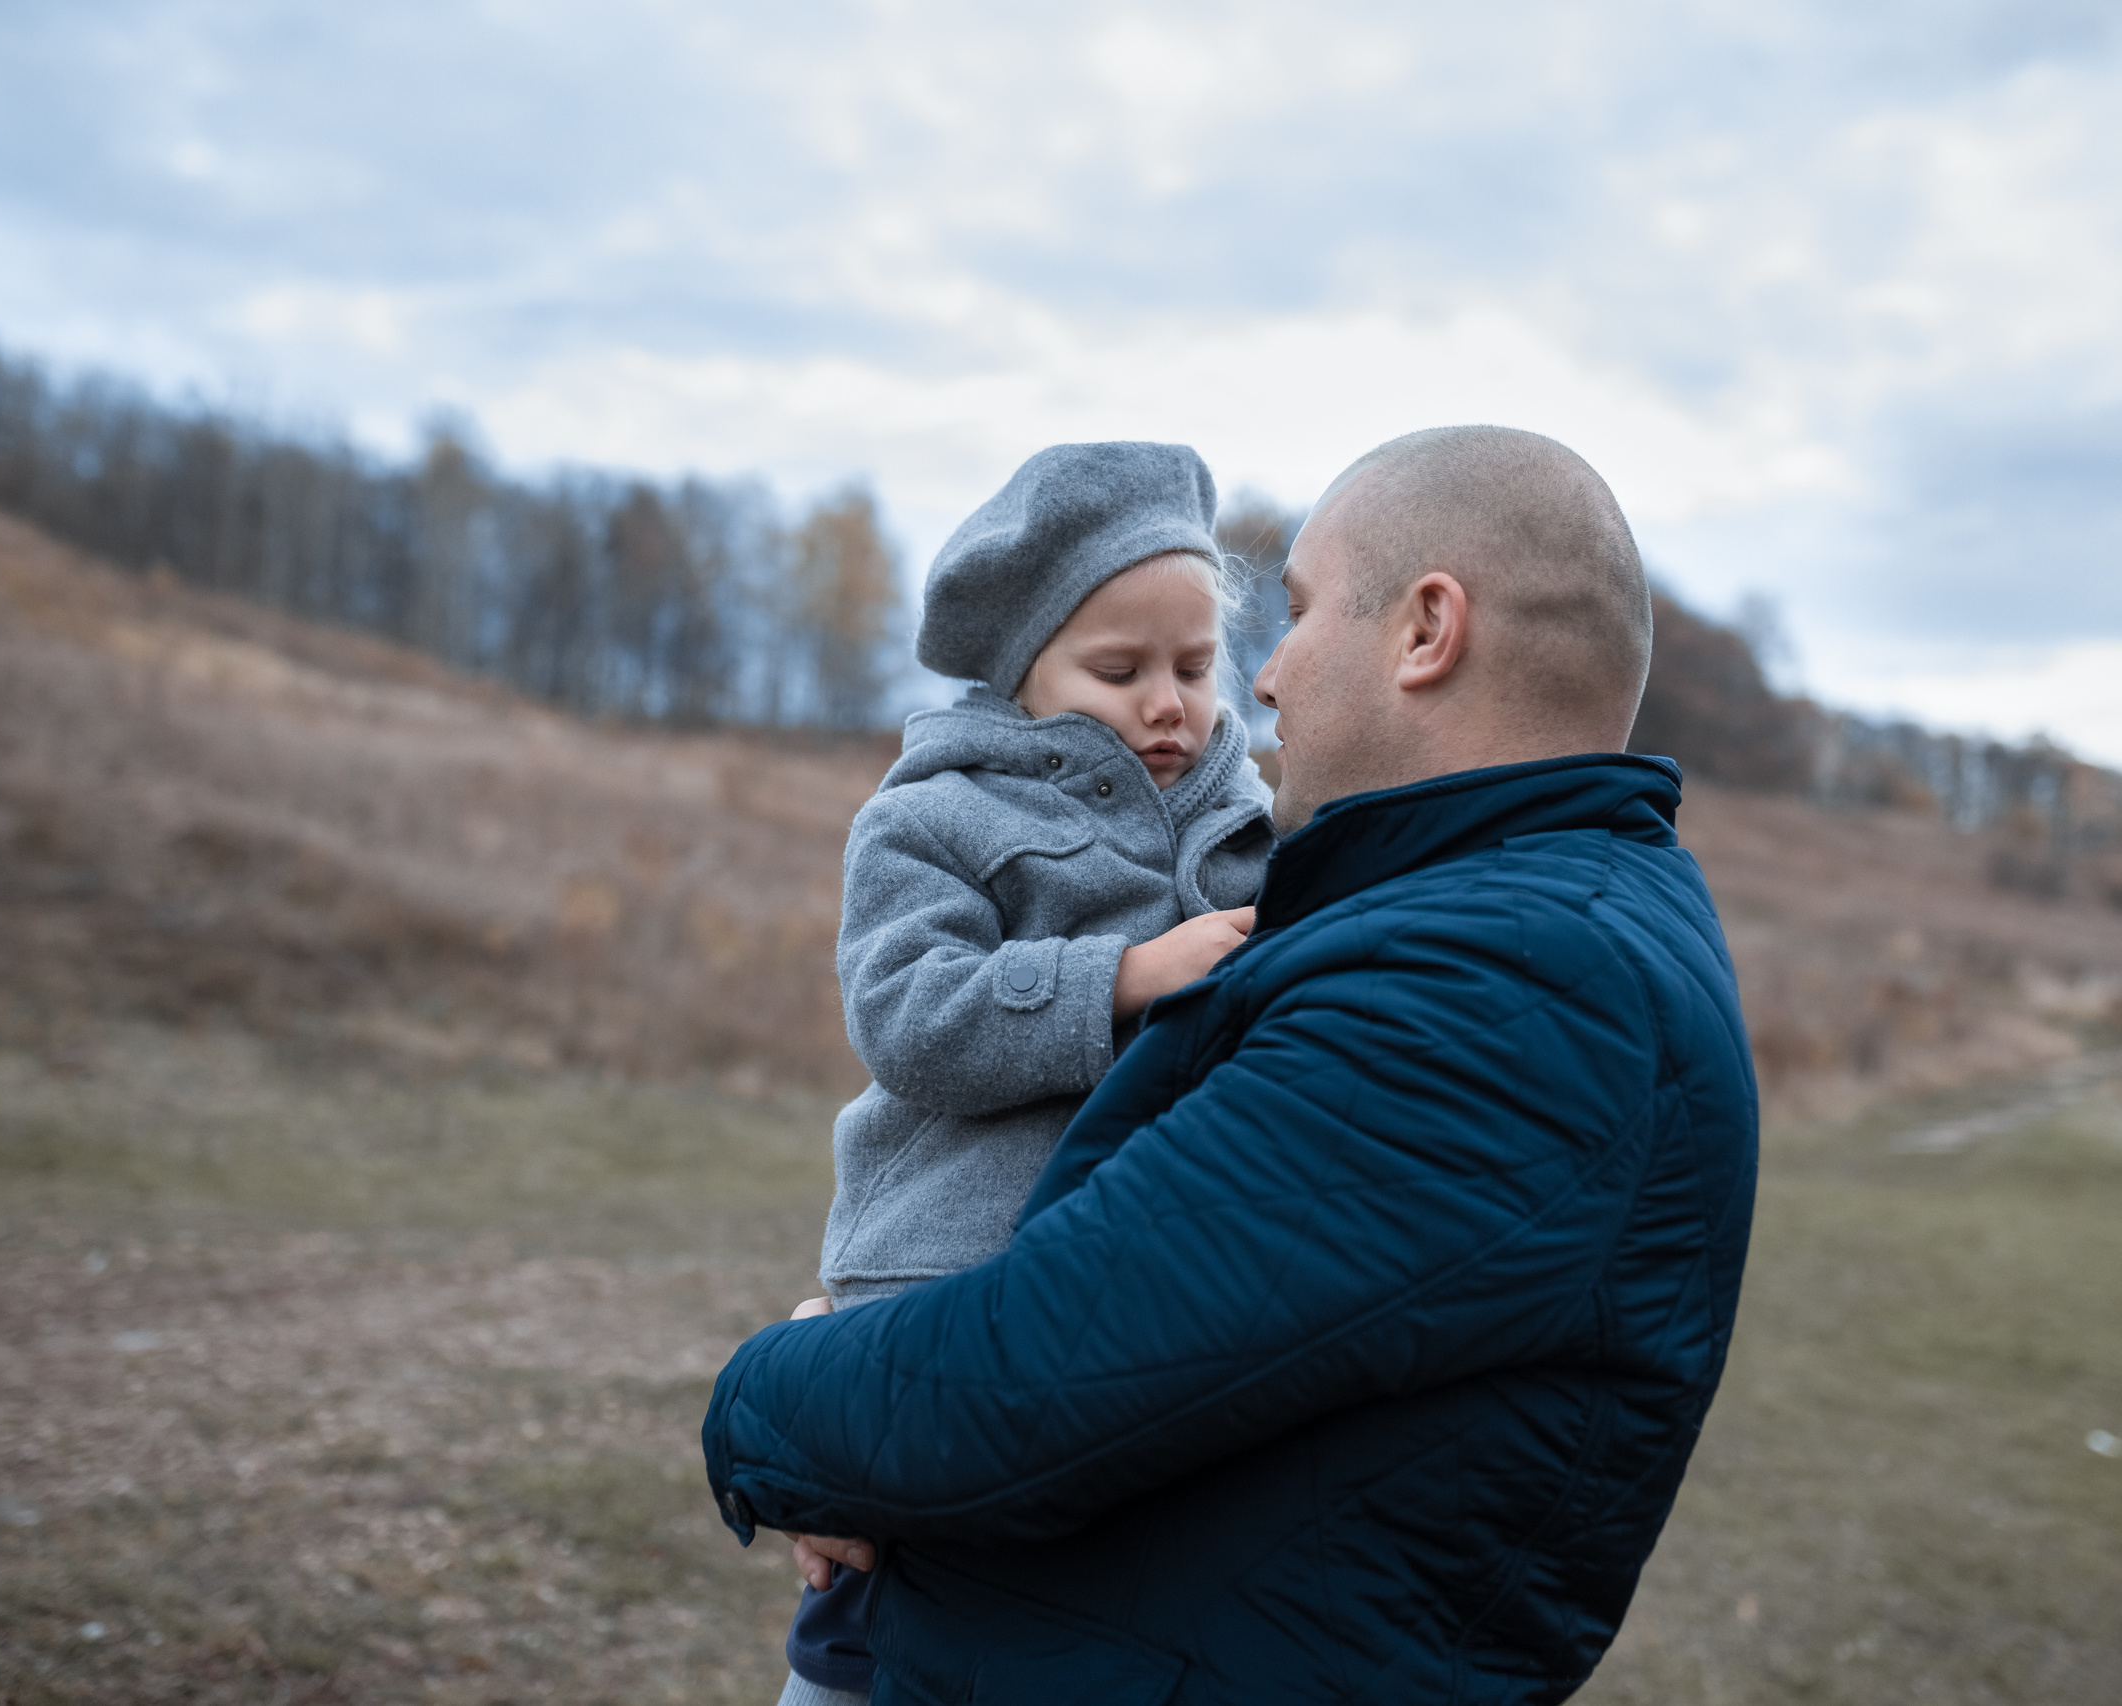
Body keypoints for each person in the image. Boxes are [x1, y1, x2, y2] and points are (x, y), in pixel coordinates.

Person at [707, 424, 1760, 1705]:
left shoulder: (1500, 982)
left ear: (1426, 630)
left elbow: (1035, 1375)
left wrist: (772, 1387)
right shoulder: (1514, 924)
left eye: (1297, 612)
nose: (1261, 681)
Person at [778, 440, 1277, 1704]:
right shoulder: (933, 816)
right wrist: (1120, 977)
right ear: (1020, 671)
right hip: (942, 1267)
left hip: (1147, 1294)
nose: (1167, 704)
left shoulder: (1252, 824)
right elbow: (905, 1015)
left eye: (1194, 666)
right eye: (1118, 671)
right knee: (875, 1604)